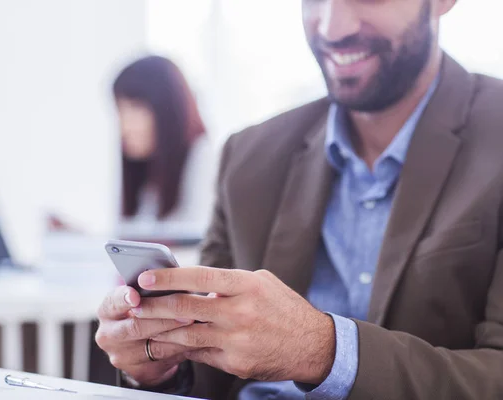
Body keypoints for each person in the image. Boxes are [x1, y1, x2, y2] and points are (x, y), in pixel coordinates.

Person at [95, 0, 503, 399]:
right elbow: (210, 375)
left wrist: (322, 350)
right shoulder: (249, 156)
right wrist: (162, 365)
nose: (331, 27)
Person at [112, 55, 214, 243]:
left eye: (135, 108)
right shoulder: (147, 177)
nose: (124, 126)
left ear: (167, 107)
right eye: (120, 110)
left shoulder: (206, 160)